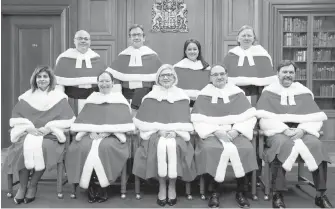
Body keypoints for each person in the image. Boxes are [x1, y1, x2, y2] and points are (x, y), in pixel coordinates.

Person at [256, 60, 333, 208]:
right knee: (282, 145)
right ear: (278, 73)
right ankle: (277, 194)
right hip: (278, 130)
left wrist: (303, 130)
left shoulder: (303, 92)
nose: (288, 75)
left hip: (302, 130)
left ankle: (320, 195)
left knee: (317, 145)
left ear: (295, 74)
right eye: (284, 72)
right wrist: (284, 129)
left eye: (291, 72)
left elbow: (316, 117)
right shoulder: (269, 92)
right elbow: (264, 119)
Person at [2, 66, 75, 204]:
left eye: (45, 76)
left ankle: (33, 185)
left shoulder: (59, 98)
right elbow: (17, 118)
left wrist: (49, 128)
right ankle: (23, 187)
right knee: (22, 149)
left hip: (49, 135)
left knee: (43, 148)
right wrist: (28, 128)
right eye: (39, 77)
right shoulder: (26, 97)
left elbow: (68, 120)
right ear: (35, 79)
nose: (42, 79)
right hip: (29, 133)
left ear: (50, 79)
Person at [191, 65, 258, 208]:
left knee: (246, 149)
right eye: (215, 75)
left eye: (222, 74)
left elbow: (250, 117)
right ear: (210, 78)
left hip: (235, 132)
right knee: (211, 149)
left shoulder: (238, 93)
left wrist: (237, 130)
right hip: (213, 133)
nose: (219, 77)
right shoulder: (204, 94)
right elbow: (198, 119)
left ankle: (241, 191)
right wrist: (216, 131)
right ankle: (214, 191)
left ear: (227, 75)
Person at [65, 71, 135, 203]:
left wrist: (108, 132)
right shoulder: (92, 99)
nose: (104, 84)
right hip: (91, 134)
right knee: (81, 147)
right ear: (97, 83)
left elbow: (123, 123)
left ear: (112, 83)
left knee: (105, 148)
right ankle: (92, 184)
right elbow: (84, 120)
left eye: (107, 81)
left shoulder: (120, 100)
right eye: (101, 81)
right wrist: (91, 131)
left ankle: (103, 186)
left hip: (113, 136)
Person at [132, 64, 196, 207]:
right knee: (155, 146)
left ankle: (172, 186)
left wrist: (175, 132)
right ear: (158, 78)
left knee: (177, 147)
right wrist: (158, 130)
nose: (166, 78)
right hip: (154, 134)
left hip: (178, 134)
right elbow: (143, 121)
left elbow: (186, 121)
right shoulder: (149, 98)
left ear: (174, 78)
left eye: (169, 75)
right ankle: (162, 185)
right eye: (163, 75)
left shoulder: (182, 97)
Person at [106, 24, 162, 114]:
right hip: (126, 95)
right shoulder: (122, 56)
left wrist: (155, 94)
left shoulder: (153, 56)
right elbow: (114, 76)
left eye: (139, 35)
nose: (136, 37)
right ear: (130, 38)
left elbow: (159, 78)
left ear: (144, 38)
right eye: (133, 35)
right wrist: (117, 94)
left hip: (146, 95)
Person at [54, 30, 107, 113]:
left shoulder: (97, 59)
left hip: (94, 99)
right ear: (74, 41)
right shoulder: (64, 59)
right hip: (71, 100)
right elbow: (58, 85)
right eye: (80, 38)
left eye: (86, 39)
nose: (83, 41)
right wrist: (61, 102)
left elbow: (105, 83)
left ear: (90, 42)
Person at [223, 25, 277, 97]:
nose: (246, 38)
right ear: (238, 39)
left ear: (253, 38)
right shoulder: (231, 55)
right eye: (243, 35)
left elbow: (268, 76)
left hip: (257, 91)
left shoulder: (262, 54)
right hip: (235, 92)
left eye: (249, 36)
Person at [173, 39, 210, 106]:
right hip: (182, 103)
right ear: (185, 51)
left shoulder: (207, 69)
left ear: (198, 51)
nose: (192, 51)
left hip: (202, 104)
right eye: (189, 49)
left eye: (195, 49)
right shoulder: (176, 68)